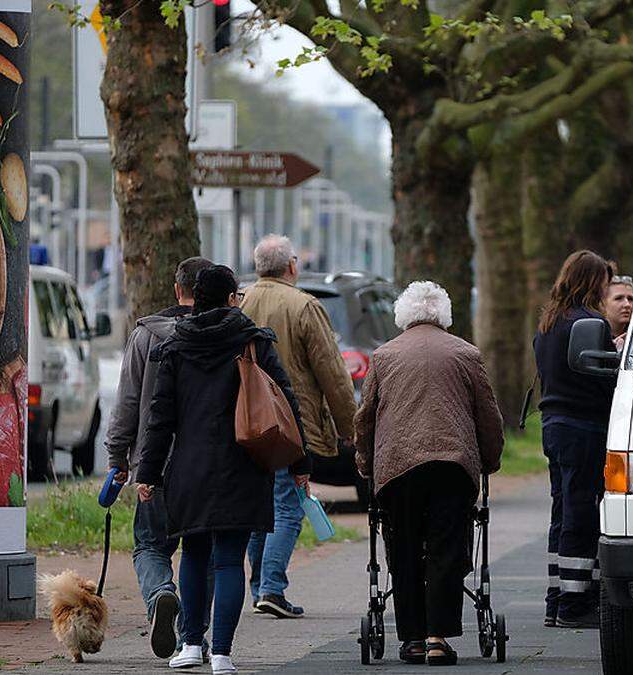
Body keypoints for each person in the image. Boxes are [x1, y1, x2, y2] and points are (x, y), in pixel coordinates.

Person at [134, 265, 311, 674]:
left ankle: (192, 644)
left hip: (189, 468)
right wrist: (301, 464)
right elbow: (286, 403)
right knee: (230, 560)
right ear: (232, 299)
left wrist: (148, 472)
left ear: (195, 298)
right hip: (242, 466)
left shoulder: (175, 347)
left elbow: (161, 417)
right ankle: (222, 655)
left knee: (193, 555)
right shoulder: (253, 342)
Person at [354, 281, 504, 666]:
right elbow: (488, 417)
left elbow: (365, 416)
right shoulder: (466, 354)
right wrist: (489, 459)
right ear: (444, 315)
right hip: (452, 466)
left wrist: (365, 464)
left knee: (403, 547)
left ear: (403, 315)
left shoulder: (384, 357)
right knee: (447, 547)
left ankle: (413, 638)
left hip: (398, 467)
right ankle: (438, 637)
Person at [240, 235, 357, 619]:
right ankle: (272, 587)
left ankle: (260, 589)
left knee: (259, 507)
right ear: (291, 266)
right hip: (292, 421)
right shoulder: (305, 306)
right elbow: (333, 373)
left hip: (245, 421)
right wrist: (349, 428)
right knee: (288, 506)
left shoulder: (240, 302)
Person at [104, 256, 213, 660]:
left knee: (150, 546)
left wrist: (118, 457)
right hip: (205, 465)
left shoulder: (146, 335)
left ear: (176, 288)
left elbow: (127, 401)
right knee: (203, 550)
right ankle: (194, 638)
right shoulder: (219, 333)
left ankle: (160, 594)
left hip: (155, 464)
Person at [533, 250, 617, 629]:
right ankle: (575, 604)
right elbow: (601, 382)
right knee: (582, 515)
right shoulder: (590, 324)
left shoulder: (548, 324)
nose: (606, 289)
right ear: (591, 281)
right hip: (584, 427)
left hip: (554, 425)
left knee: (561, 513)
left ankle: (556, 599)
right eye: (604, 281)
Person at [603, 274, 633, 349]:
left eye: (630, 299)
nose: (627, 304)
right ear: (602, 303)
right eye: (618, 298)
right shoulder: (596, 338)